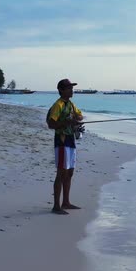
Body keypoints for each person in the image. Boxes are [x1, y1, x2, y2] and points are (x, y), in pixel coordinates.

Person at [47, 78, 84, 214]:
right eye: (68, 88)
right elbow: (51, 124)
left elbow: (80, 116)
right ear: (61, 90)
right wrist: (67, 123)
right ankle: (56, 206)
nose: (71, 90)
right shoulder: (58, 105)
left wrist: (76, 119)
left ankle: (66, 202)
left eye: (71, 88)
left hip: (71, 140)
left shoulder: (71, 104)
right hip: (61, 142)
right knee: (61, 173)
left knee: (70, 172)